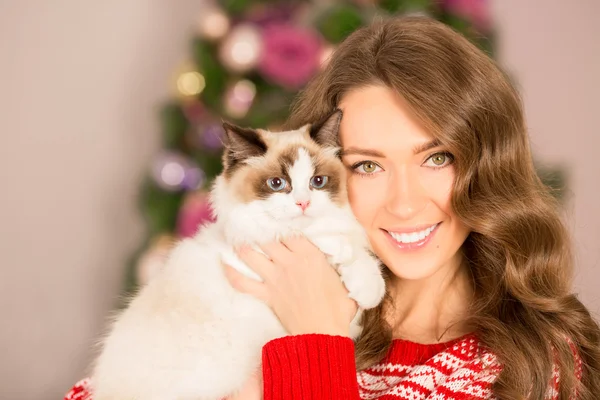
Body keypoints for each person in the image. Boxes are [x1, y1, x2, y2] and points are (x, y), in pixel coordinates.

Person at [64, 16, 600, 400]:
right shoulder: (265, 285)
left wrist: (316, 340)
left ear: (486, 162)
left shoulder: (538, 365)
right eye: (367, 165)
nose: (406, 202)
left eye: (437, 158)